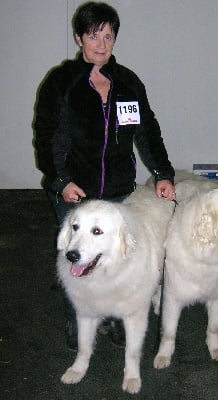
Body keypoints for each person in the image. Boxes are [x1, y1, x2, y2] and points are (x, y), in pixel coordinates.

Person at [33, 1, 175, 351]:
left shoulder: (127, 83)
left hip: (117, 192)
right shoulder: (60, 82)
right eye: (93, 35)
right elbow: (46, 134)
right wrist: (60, 181)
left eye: (108, 36)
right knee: (75, 260)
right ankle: (76, 317)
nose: (101, 43)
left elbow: (147, 132)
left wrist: (162, 173)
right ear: (79, 38)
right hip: (75, 192)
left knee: (114, 259)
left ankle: (110, 319)